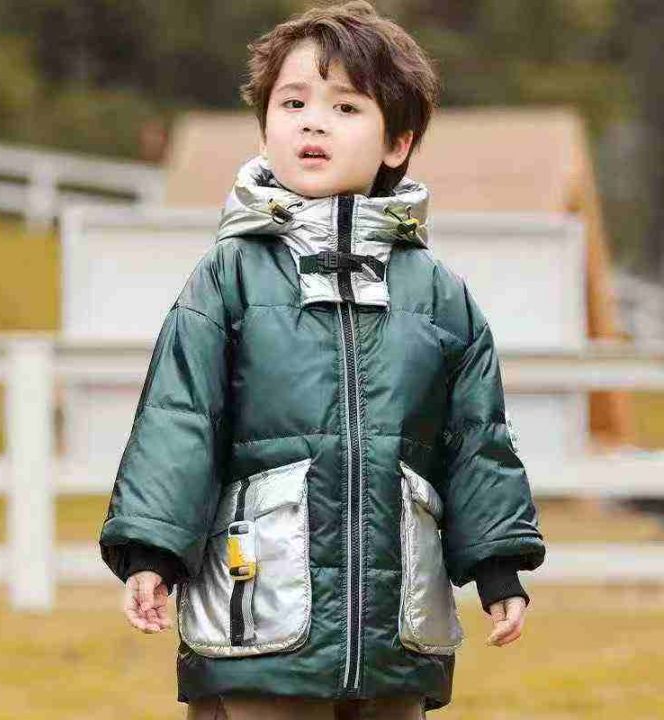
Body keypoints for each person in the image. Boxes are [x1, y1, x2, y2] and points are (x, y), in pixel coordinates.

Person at [98, 2, 547, 719]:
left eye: (345, 107)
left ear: (397, 142)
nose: (313, 122)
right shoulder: (229, 276)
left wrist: (497, 567)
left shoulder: (440, 295)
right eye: (294, 103)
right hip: (260, 617)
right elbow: (179, 419)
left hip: (395, 627)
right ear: (265, 127)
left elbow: (477, 441)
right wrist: (152, 551)